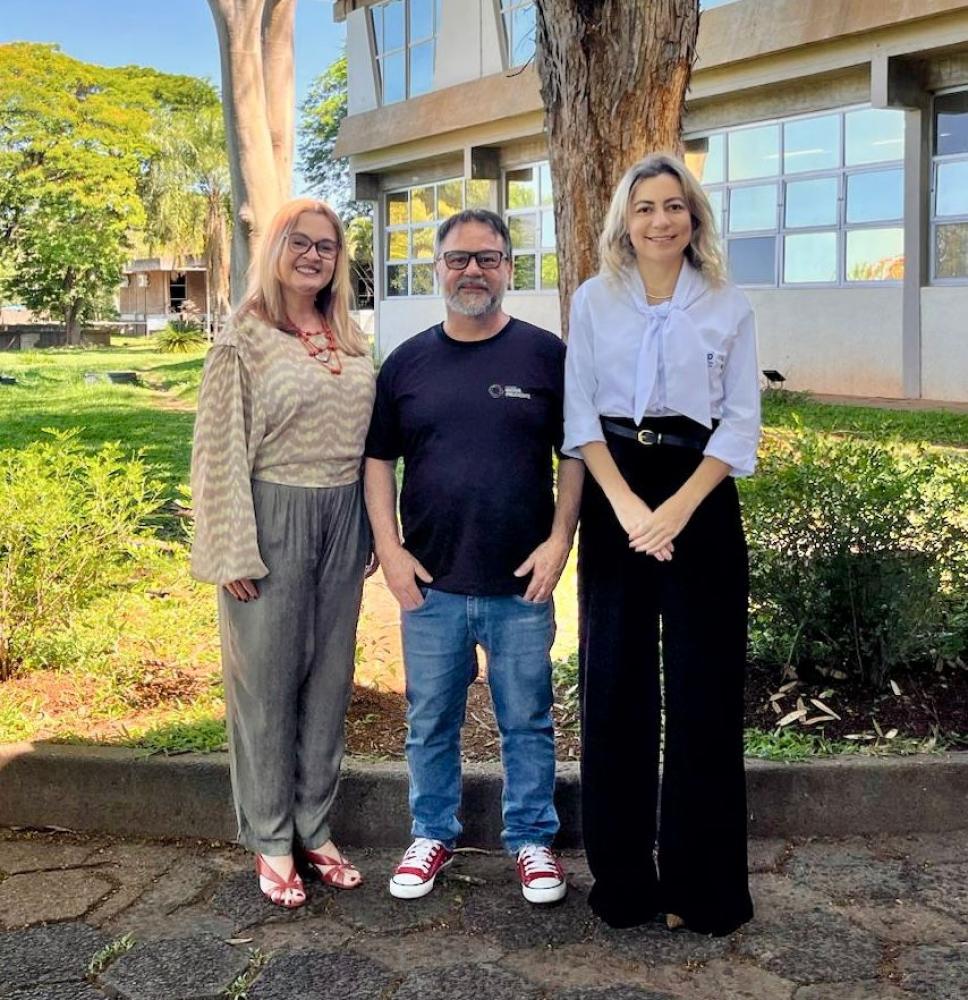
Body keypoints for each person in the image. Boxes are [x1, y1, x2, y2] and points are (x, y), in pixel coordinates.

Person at [564, 153, 760, 936]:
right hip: (617, 492)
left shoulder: (727, 304)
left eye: (674, 205)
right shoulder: (593, 300)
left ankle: (703, 886)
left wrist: (674, 511)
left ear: (695, 218)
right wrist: (625, 507)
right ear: (625, 219)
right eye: (644, 207)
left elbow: (741, 420)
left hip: (699, 497)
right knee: (615, 687)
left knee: (703, 691)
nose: (660, 220)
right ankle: (624, 884)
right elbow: (579, 416)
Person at [364, 209, 584, 904]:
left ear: (508, 269)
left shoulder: (546, 356)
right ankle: (431, 833)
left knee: (527, 717)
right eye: (457, 259)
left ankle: (531, 841)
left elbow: (575, 453)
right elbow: (378, 461)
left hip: (522, 583)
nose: (472, 271)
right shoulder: (406, 362)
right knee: (430, 719)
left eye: (486, 258)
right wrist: (390, 553)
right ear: (438, 270)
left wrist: (560, 541)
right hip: (430, 585)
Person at [190, 197, 376, 908]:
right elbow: (216, 452)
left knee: (329, 679)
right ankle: (271, 838)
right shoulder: (244, 339)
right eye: (299, 242)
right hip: (270, 516)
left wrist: (364, 525)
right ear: (275, 249)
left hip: (341, 517)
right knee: (265, 687)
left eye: (326, 246)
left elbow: (366, 446)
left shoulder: (350, 340)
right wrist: (231, 547)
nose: (313, 255)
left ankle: (315, 825)